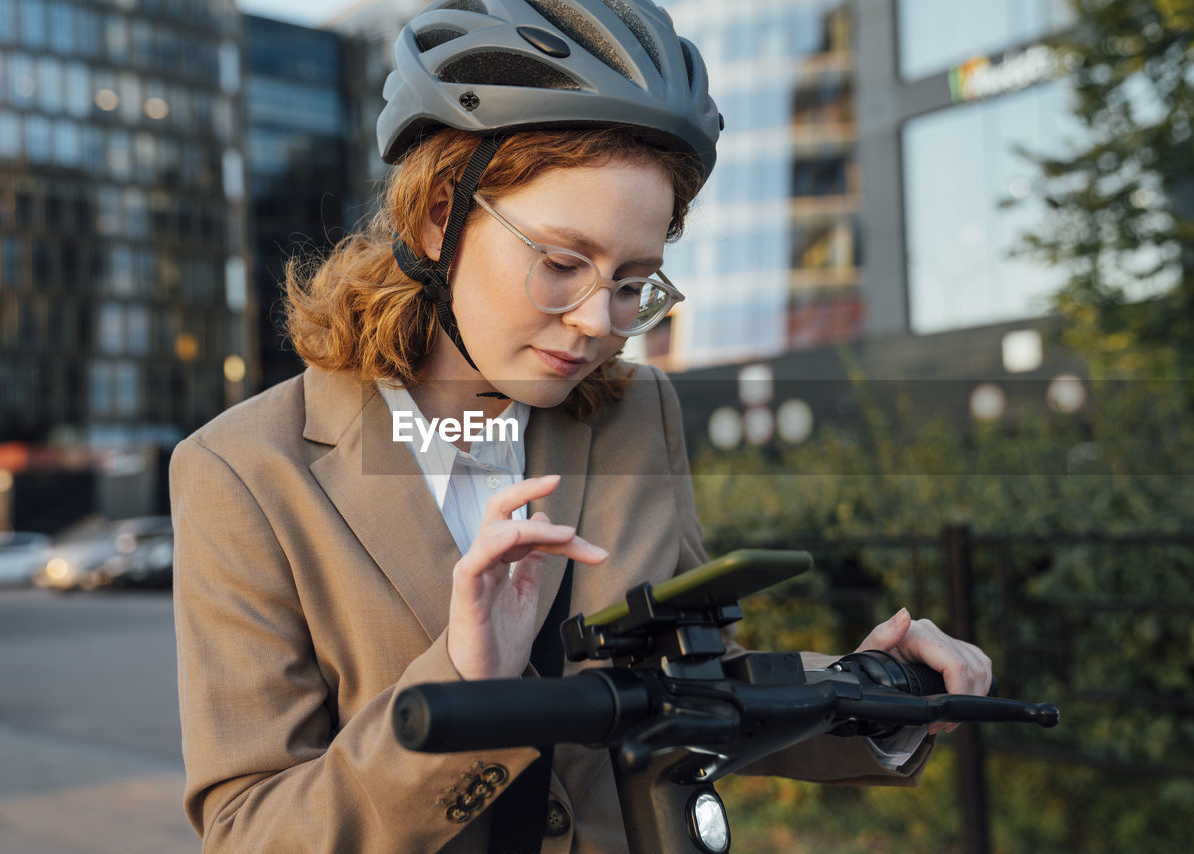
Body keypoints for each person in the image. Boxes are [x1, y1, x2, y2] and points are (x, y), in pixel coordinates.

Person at [170, 2, 992, 852]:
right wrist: (467, 681)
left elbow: (699, 696)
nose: (600, 322)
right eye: (562, 264)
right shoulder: (244, 473)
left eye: (636, 281)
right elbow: (252, 833)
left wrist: (878, 696)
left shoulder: (638, 414)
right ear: (436, 218)